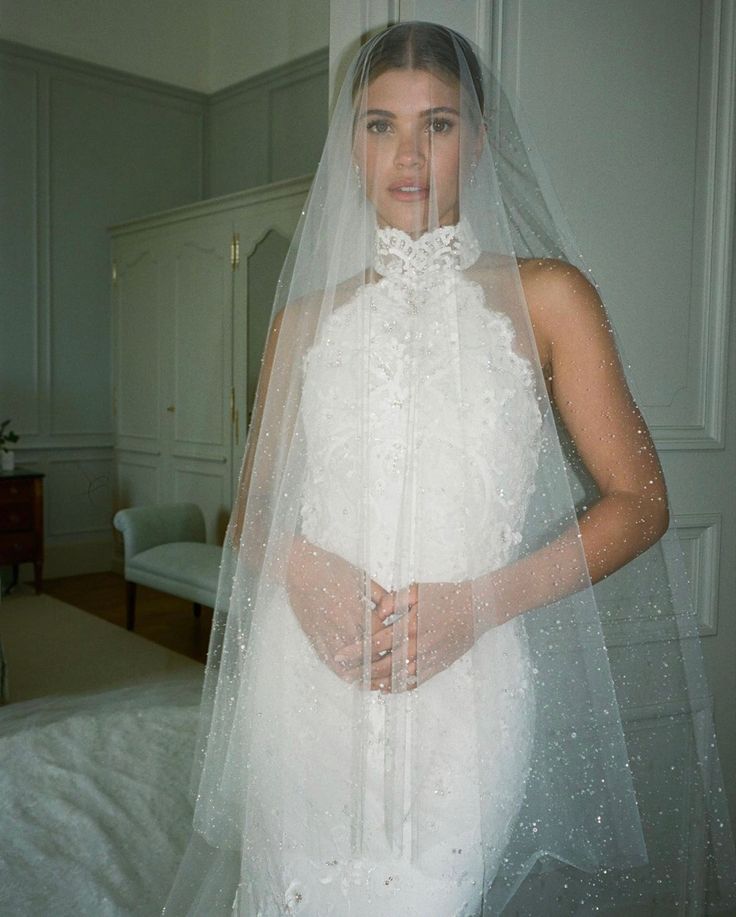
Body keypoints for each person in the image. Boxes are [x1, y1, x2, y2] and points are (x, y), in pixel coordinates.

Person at [164, 21, 735, 916]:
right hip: (305, 681)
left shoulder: (550, 297)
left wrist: (475, 606)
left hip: (464, 693)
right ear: (350, 143)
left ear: (479, 138)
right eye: (379, 123)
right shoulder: (304, 320)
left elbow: (642, 503)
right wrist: (300, 566)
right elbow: (251, 514)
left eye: (437, 123)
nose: (407, 153)